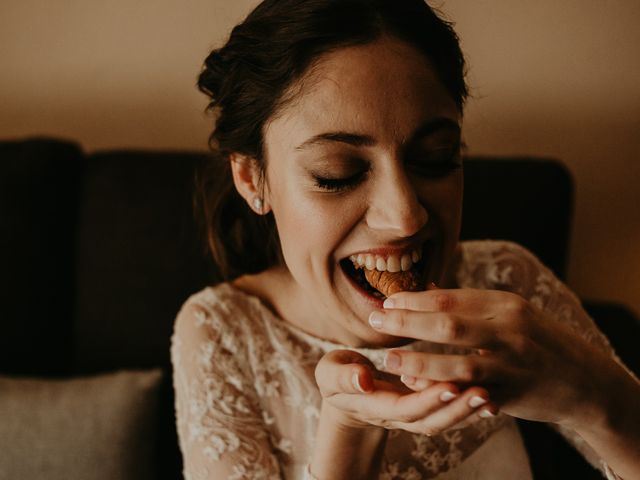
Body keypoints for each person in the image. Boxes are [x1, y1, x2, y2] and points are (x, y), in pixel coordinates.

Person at [171, 0, 640, 478]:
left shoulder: (506, 280)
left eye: (435, 158)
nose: (406, 218)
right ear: (253, 179)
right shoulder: (222, 333)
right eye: (338, 174)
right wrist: (348, 437)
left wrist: (603, 400)